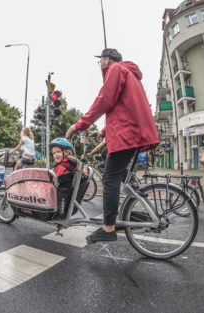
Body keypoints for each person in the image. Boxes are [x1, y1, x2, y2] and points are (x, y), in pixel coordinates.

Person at [65, 48, 159, 243]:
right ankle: (134, 202)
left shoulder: (116, 69)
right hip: (131, 132)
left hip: (126, 136)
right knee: (114, 175)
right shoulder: (130, 73)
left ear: (106, 60)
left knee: (109, 178)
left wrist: (80, 124)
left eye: (100, 62)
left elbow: (104, 100)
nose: (100, 65)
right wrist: (106, 130)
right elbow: (123, 108)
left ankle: (108, 228)